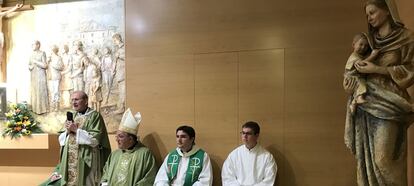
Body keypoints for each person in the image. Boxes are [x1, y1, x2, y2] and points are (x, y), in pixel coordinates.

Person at [343, 0, 414, 185]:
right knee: (366, 160)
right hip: (366, 103)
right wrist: (351, 82)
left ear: (388, 11)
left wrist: (377, 69)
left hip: (390, 104)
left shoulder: (407, 38)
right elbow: (354, 68)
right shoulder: (368, 41)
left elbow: (411, 69)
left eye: (372, 13)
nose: (369, 18)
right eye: (367, 15)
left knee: (382, 160)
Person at [40, 91, 111, 186]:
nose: (74, 102)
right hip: (70, 158)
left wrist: (76, 130)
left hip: (85, 157)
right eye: (72, 100)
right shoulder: (73, 115)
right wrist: (67, 132)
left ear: (85, 101)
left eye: (77, 99)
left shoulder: (94, 116)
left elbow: (95, 139)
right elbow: (61, 139)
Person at [101, 108, 157, 185]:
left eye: (120, 136)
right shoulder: (114, 154)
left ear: (130, 139)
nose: (117, 140)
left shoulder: (144, 153)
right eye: (116, 136)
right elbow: (106, 173)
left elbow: (150, 177)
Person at [222, 121, 277, 186]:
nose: (245, 136)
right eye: (243, 133)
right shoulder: (234, 155)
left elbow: (268, 180)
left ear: (256, 136)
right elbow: (227, 177)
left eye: (248, 133)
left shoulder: (267, 157)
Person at [344, 33, 379, 113]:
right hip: (351, 77)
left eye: (366, 46)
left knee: (359, 86)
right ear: (353, 45)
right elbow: (361, 64)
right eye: (361, 44)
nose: (363, 47)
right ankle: (359, 98)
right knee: (362, 84)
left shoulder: (359, 56)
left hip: (355, 77)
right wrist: (372, 56)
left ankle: (353, 103)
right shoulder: (354, 56)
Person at [28, 40, 48, 114]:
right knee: (34, 91)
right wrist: (30, 67)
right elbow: (29, 64)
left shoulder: (42, 53)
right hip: (34, 75)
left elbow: (45, 65)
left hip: (41, 75)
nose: (32, 46)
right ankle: (35, 109)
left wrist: (36, 62)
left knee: (41, 91)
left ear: (38, 45)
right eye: (32, 45)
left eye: (33, 44)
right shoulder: (31, 54)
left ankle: (42, 110)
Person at [112, 33, 125, 114]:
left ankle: (122, 108)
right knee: (121, 90)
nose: (114, 42)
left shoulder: (123, 48)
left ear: (118, 39)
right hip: (119, 72)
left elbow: (127, 57)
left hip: (123, 73)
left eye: (114, 40)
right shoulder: (118, 49)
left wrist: (119, 56)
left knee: (123, 91)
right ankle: (121, 106)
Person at [47, 45, 64, 111]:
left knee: (56, 91)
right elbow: (46, 66)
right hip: (50, 77)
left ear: (55, 50)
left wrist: (53, 65)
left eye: (53, 49)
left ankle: (56, 106)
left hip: (56, 77)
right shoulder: (49, 57)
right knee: (51, 92)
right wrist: (48, 62)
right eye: (51, 49)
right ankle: (52, 106)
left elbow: (61, 67)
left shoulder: (59, 58)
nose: (52, 51)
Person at [60, 44, 73, 108]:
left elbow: (70, 67)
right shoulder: (61, 56)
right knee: (62, 90)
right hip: (62, 75)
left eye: (64, 48)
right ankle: (63, 104)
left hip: (67, 74)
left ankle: (71, 103)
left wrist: (64, 72)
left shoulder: (70, 56)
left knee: (70, 89)